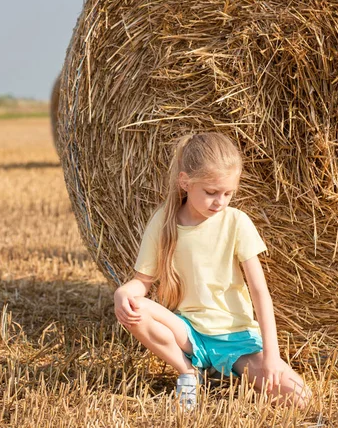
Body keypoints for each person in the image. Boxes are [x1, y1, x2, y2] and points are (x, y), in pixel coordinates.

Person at [114, 132, 311, 410]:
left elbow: (260, 293)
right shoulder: (163, 222)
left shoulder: (237, 223)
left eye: (228, 193)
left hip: (236, 339)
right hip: (189, 334)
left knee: (299, 398)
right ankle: (188, 372)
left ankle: (226, 369)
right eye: (211, 193)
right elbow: (141, 282)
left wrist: (271, 356)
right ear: (185, 182)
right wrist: (122, 294)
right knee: (136, 307)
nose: (220, 201)